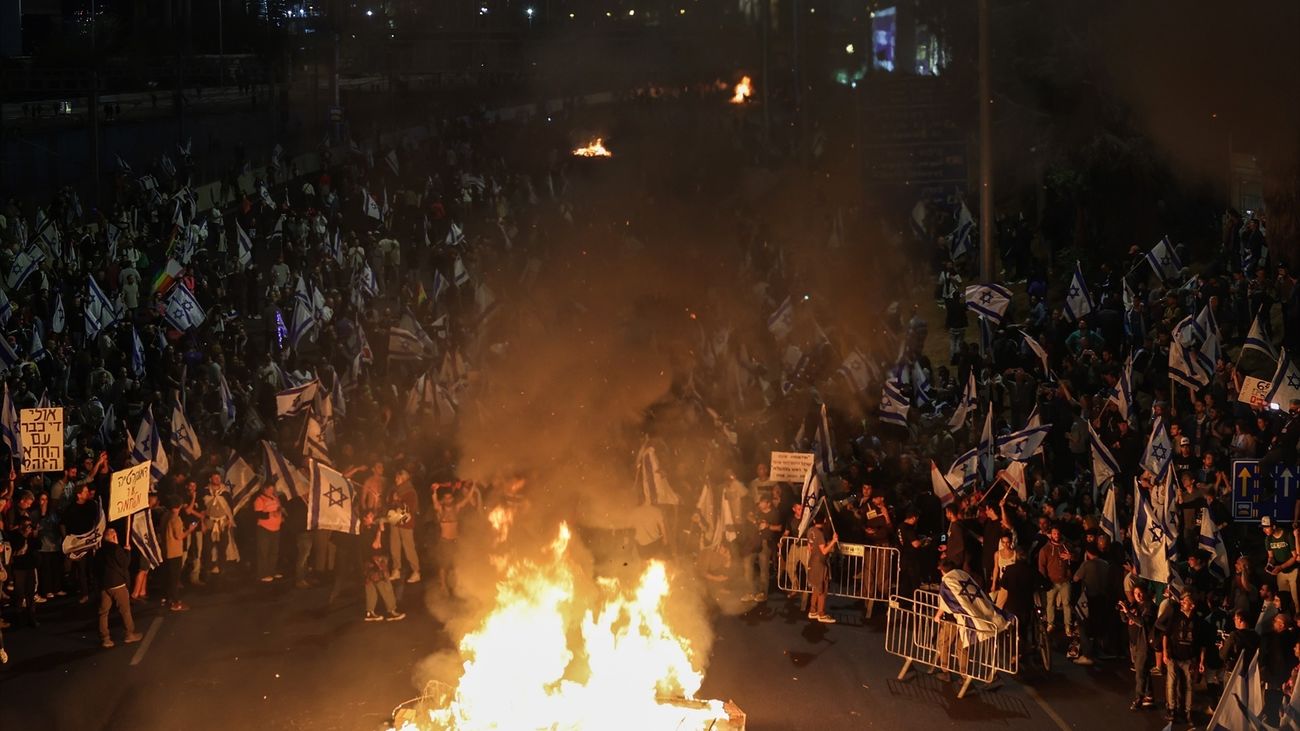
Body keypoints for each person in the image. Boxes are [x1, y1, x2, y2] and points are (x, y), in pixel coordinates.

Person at [1161, 593, 1209, 723]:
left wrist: (1201, 661)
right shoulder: (1175, 616)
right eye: (1182, 600)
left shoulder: (1198, 622)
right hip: (1174, 657)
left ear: (1192, 605)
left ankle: (1188, 712)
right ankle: (1171, 709)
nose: (1182, 602)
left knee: (1189, 686)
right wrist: (1165, 652)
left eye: (1185, 601)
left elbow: (1202, 644)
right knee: (1171, 684)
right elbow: (1166, 635)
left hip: (1189, 659)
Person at [97, 528, 143, 648]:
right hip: (117, 584)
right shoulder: (116, 549)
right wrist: (127, 551)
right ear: (113, 537)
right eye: (115, 534)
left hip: (104, 585)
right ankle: (129, 634)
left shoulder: (99, 551)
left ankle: (105, 638)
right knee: (125, 610)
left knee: (103, 612)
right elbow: (125, 564)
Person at [360, 510, 405, 622]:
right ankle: (391, 611)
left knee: (371, 588)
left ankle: (370, 612)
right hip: (375, 562)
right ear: (364, 519)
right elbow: (376, 545)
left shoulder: (371, 529)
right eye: (370, 516)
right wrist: (379, 532)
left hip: (371, 561)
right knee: (385, 586)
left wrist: (381, 529)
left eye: (372, 515)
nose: (373, 517)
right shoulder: (366, 531)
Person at [1120, 583, 1156, 710]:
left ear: (1145, 593)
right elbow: (1125, 619)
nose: (1138, 596)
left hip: (1144, 644)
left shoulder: (1150, 607)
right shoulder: (1134, 605)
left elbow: (1142, 622)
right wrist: (1123, 610)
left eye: (1140, 593)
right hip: (1134, 643)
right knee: (1143, 669)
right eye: (1136, 594)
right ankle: (1149, 695)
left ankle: (1138, 699)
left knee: (1140, 673)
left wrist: (1128, 612)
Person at [1037, 525, 1073, 634]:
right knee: (1050, 603)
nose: (1056, 535)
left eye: (1058, 533)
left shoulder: (1066, 546)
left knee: (1067, 603)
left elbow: (1077, 557)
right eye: (1054, 533)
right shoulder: (1045, 549)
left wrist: (1071, 557)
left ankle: (1068, 625)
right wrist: (1044, 581)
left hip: (1065, 581)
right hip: (1051, 581)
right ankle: (1050, 623)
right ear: (1050, 535)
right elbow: (1041, 566)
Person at [163, 499, 197, 611]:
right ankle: (175, 602)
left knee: (168, 577)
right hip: (175, 552)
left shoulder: (165, 516)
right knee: (174, 578)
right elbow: (179, 536)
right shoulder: (176, 519)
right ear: (180, 506)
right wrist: (190, 530)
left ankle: (168, 599)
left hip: (166, 550)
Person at [387, 469, 421, 583]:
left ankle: (416, 571)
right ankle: (396, 570)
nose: (395, 480)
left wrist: (397, 501)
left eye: (397, 478)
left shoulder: (410, 492)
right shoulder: (395, 490)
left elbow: (408, 509)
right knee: (394, 545)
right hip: (395, 519)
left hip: (406, 522)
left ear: (403, 478)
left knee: (408, 547)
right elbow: (390, 504)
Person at [806, 512, 838, 623]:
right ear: (824, 520)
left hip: (812, 561)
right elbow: (824, 551)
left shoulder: (810, 531)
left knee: (815, 587)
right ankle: (821, 613)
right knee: (822, 589)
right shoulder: (819, 534)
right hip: (820, 564)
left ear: (814, 521)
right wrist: (833, 541)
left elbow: (809, 548)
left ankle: (812, 610)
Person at [1264, 516, 1300, 612]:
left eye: (1267, 527)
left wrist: (1280, 567)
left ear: (1274, 526)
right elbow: (1271, 556)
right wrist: (1269, 565)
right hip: (1281, 572)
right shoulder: (1268, 539)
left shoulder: (1287, 534)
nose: (1264, 530)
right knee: (1283, 599)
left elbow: (1295, 556)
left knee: (1296, 600)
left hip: (1293, 570)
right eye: (1263, 527)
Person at [253, 483, 284, 582]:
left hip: (276, 528)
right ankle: (262, 574)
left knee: (274, 551)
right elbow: (258, 514)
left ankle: (272, 571)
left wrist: (280, 514)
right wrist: (270, 514)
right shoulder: (259, 500)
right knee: (264, 551)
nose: (272, 491)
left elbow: (278, 508)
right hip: (264, 529)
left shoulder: (275, 498)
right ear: (265, 490)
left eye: (273, 490)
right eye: (270, 490)